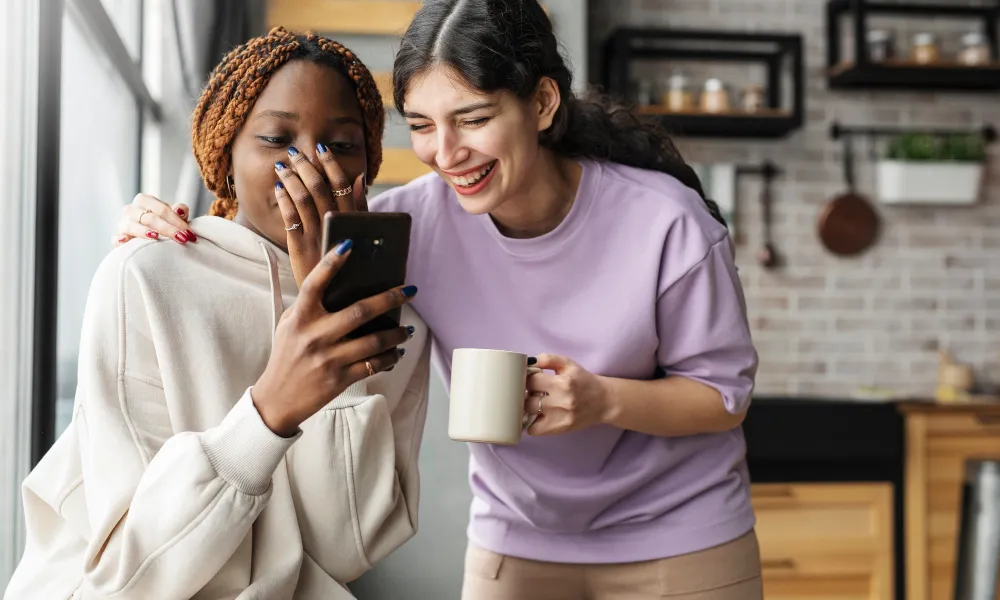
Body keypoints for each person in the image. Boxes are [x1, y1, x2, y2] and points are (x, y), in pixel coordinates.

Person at [113, 1, 763, 598]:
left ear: (541, 103)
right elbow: (276, 254)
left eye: (473, 119)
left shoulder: (666, 223)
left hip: (684, 538)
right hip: (515, 543)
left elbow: (722, 397)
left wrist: (603, 400)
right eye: (423, 125)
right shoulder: (406, 229)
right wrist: (166, 229)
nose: (446, 155)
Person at [4, 29, 433, 600]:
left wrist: (336, 322)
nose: (309, 164)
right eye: (277, 139)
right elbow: (135, 565)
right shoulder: (148, 275)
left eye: (341, 144)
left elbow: (343, 550)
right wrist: (268, 413)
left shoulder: (393, 320)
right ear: (226, 153)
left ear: (368, 166)